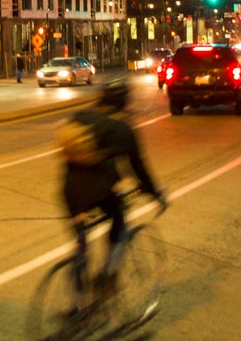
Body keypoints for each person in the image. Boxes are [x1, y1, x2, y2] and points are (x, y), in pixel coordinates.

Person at [57, 75, 166, 317]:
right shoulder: (123, 129)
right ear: (123, 101)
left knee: (81, 246)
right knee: (119, 222)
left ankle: (76, 304)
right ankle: (107, 275)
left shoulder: (81, 117)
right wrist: (155, 194)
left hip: (69, 193)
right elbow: (139, 169)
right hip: (100, 192)